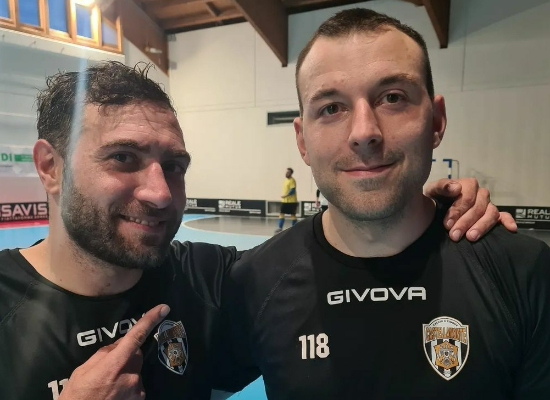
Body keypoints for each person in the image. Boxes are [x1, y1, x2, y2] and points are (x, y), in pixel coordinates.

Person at [0, 61, 515, 400]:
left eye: (174, 166)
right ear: (50, 167)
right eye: (122, 158)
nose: (160, 192)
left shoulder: (211, 281)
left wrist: (416, 204)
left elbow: (339, 251)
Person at [218, 9, 550, 400]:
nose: (364, 133)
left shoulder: (523, 272)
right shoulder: (253, 282)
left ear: (437, 121)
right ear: (302, 140)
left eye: (393, 98)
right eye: (331, 108)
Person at [275, 168, 299, 233]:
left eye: (288, 172)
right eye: (286, 172)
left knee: (293, 215)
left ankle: (294, 228)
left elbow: (292, 190)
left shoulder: (292, 180)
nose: (286, 173)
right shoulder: (285, 180)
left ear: (291, 173)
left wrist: (286, 195)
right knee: (281, 214)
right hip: (284, 201)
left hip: (291, 201)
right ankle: (280, 228)